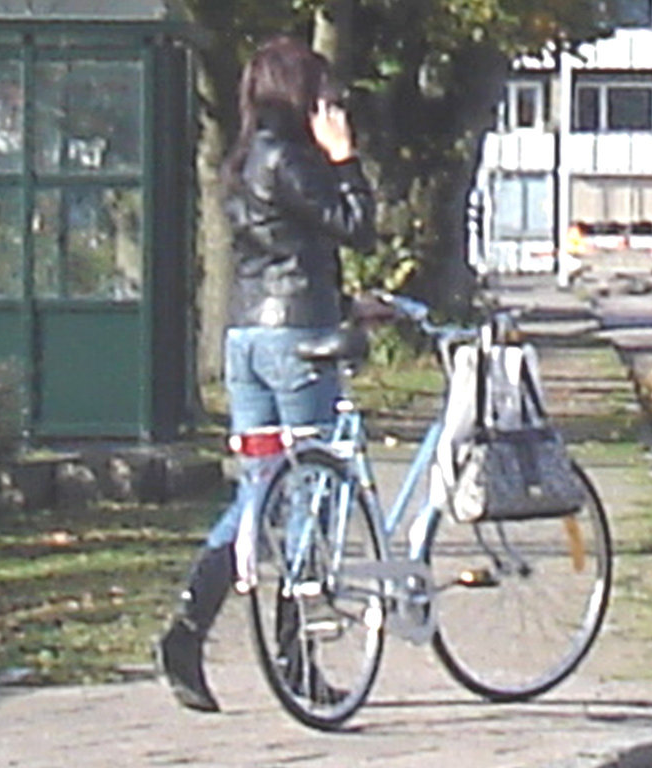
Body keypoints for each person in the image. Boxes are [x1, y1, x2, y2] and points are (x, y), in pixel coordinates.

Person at [156, 35, 376, 713]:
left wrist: (344, 300)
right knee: (311, 490)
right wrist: (346, 159)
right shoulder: (290, 158)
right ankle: (293, 650)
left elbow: (281, 246)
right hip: (296, 343)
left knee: (260, 493)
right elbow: (356, 226)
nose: (328, 103)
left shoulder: (245, 157)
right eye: (319, 90)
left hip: (249, 336)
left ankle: (189, 629)